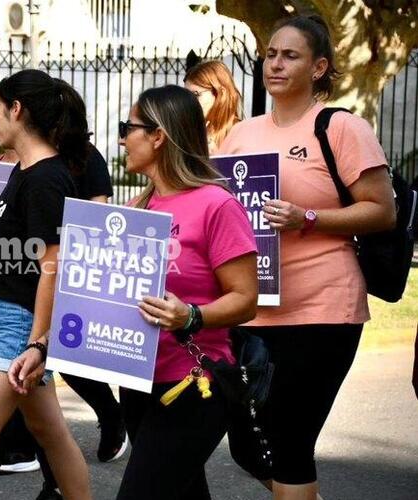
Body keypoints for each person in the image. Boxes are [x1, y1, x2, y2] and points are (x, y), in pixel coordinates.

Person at [218, 15, 396, 500]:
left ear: (319, 67)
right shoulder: (241, 134)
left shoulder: (340, 127)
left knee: (291, 442)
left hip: (321, 310)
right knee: (249, 448)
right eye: (270, 54)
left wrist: (308, 219)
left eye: (289, 55)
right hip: (252, 307)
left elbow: (382, 211)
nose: (274, 63)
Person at [111, 84, 258, 499]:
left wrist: (191, 315)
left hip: (194, 383)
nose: (123, 138)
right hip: (139, 378)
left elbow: (246, 299)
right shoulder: (139, 207)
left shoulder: (217, 205)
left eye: (129, 127)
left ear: (158, 136)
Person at [0, 69, 92, 500]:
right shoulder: (27, 171)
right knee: (48, 432)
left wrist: (37, 343)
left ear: (17, 109)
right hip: (10, 322)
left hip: (21, 329)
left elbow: (53, 267)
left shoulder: (46, 178)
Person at [0, 140, 125, 500]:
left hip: (61, 287)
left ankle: (111, 419)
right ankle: (53, 481)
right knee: (40, 422)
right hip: (22, 295)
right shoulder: (17, 161)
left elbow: (98, 219)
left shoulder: (77, 158)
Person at [183, 60, 242, 153]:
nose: (188, 102)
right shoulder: (186, 132)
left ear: (220, 94)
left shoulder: (240, 133)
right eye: (186, 95)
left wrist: (216, 158)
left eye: (196, 95)